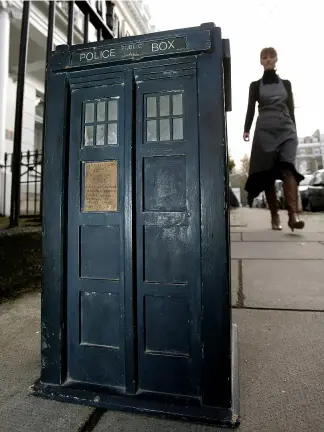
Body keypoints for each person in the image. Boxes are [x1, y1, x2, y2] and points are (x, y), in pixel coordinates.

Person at [243, 47, 305, 232]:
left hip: (286, 128)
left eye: (271, 57)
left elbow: (291, 107)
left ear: (276, 59)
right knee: (268, 173)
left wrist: (294, 127)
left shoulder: (286, 83)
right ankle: (274, 216)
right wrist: (246, 129)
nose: (268, 59)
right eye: (264, 57)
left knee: (288, 168)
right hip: (265, 130)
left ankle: (293, 216)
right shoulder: (255, 85)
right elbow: (250, 108)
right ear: (261, 61)